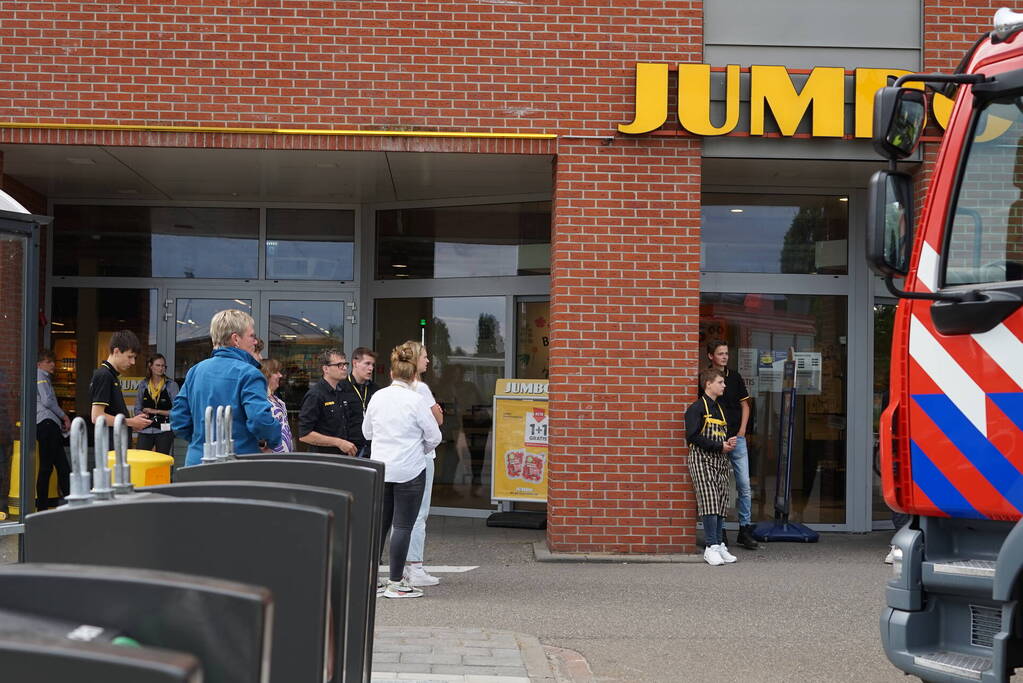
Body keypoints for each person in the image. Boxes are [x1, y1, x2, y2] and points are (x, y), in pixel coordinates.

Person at [363, 341, 442, 598]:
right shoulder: (416, 399)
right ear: (412, 374)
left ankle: (372, 581)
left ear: (391, 373)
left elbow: (367, 432)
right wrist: (420, 447)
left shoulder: (377, 396)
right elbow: (434, 435)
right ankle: (396, 583)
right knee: (403, 526)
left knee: (380, 526)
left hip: (382, 468)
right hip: (410, 469)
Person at [171, 309, 281, 466]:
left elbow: (179, 419)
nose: (255, 342)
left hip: (197, 461)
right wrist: (271, 440)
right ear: (236, 339)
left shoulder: (195, 371)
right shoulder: (250, 373)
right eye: (251, 336)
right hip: (238, 462)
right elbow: (260, 420)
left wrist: (202, 441)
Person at [701, 340, 758, 550]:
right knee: (720, 486)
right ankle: (720, 531)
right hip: (716, 439)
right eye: (720, 353)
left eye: (726, 353)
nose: (724, 357)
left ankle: (745, 529)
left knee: (743, 484)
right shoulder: (706, 379)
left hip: (737, 437)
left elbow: (745, 405)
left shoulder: (734, 378)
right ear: (710, 356)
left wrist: (742, 431)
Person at [686, 368, 739, 566]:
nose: (724, 385)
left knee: (721, 502)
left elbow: (719, 436)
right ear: (708, 384)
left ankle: (718, 544)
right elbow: (692, 437)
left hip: (719, 460)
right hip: (702, 460)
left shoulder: (719, 408)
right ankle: (711, 547)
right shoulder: (696, 408)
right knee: (709, 501)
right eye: (720, 382)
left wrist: (728, 442)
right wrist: (719, 445)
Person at [404, 341, 444, 587]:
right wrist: (438, 412)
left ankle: (404, 565)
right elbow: (436, 419)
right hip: (423, 455)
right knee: (420, 512)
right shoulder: (422, 388)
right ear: (415, 359)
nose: (428, 361)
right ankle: (415, 566)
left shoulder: (397, 388)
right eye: (425, 356)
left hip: (404, 456)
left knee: (403, 513)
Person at [90, 330, 153, 448]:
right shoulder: (104, 375)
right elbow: (97, 416)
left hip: (115, 447)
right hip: (111, 450)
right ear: (116, 351)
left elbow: (110, 413)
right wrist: (131, 422)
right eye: (130, 357)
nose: (133, 362)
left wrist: (132, 422)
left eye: (134, 358)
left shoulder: (110, 375)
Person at [297, 349, 357, 456]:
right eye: (339, 365)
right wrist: (338, 442)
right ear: (325, 369)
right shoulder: (316, 395)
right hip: (323, 460)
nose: (344, 368)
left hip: (341, 457)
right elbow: (304, 435)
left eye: (345, 364)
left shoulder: (340, 391)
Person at [36, 349, 70, 510]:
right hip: (47, 425)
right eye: (49, 362)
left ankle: (72, 501)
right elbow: (47, 401)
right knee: (48, 467)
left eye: (53, 361)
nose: (53, 365)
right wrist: (64, 416)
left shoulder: (43, 377)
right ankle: (42, 507)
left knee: (61, 467)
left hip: (49, 425)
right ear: (39, 364)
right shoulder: (40, 376)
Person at [337, 347, 380, 458]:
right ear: (355, 363)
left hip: (372, 448)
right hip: (349, 450)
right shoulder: (341, 387)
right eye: (367, 363)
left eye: (373, 365)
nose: (371, 368)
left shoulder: (376, 390)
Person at [133, 354, 178, 455]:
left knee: (162, 461)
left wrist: (156, 411)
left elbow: (176, 411)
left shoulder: (171, 385)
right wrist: (142, 417)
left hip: (164, 430)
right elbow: (137, 408)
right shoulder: (143, 384)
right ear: (150, 366)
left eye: (163, 366)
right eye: (158, 365)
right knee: (141, 459)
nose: (161, 368)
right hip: (146, 430)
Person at [261, 358, 294, 453]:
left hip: (283, 459)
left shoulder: (276, 399)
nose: (280, 375)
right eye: (276, 372)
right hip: (270, 461)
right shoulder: (259, 400)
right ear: (266, 374)